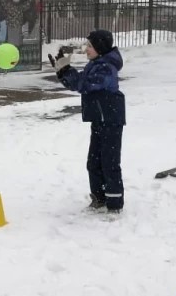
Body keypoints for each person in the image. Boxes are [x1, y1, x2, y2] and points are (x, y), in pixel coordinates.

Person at [51, 29, 126, 214]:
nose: (86, 49)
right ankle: (99, 198)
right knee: (93, 161)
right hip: (99, 120)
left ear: (100, 47)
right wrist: (63, 71)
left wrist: (66, 69)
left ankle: (114, 204)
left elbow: (84, 85)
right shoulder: (96, 64)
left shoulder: (106, 68)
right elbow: (79, 83)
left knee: (109, 163)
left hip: (110, 120)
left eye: (90, 46)